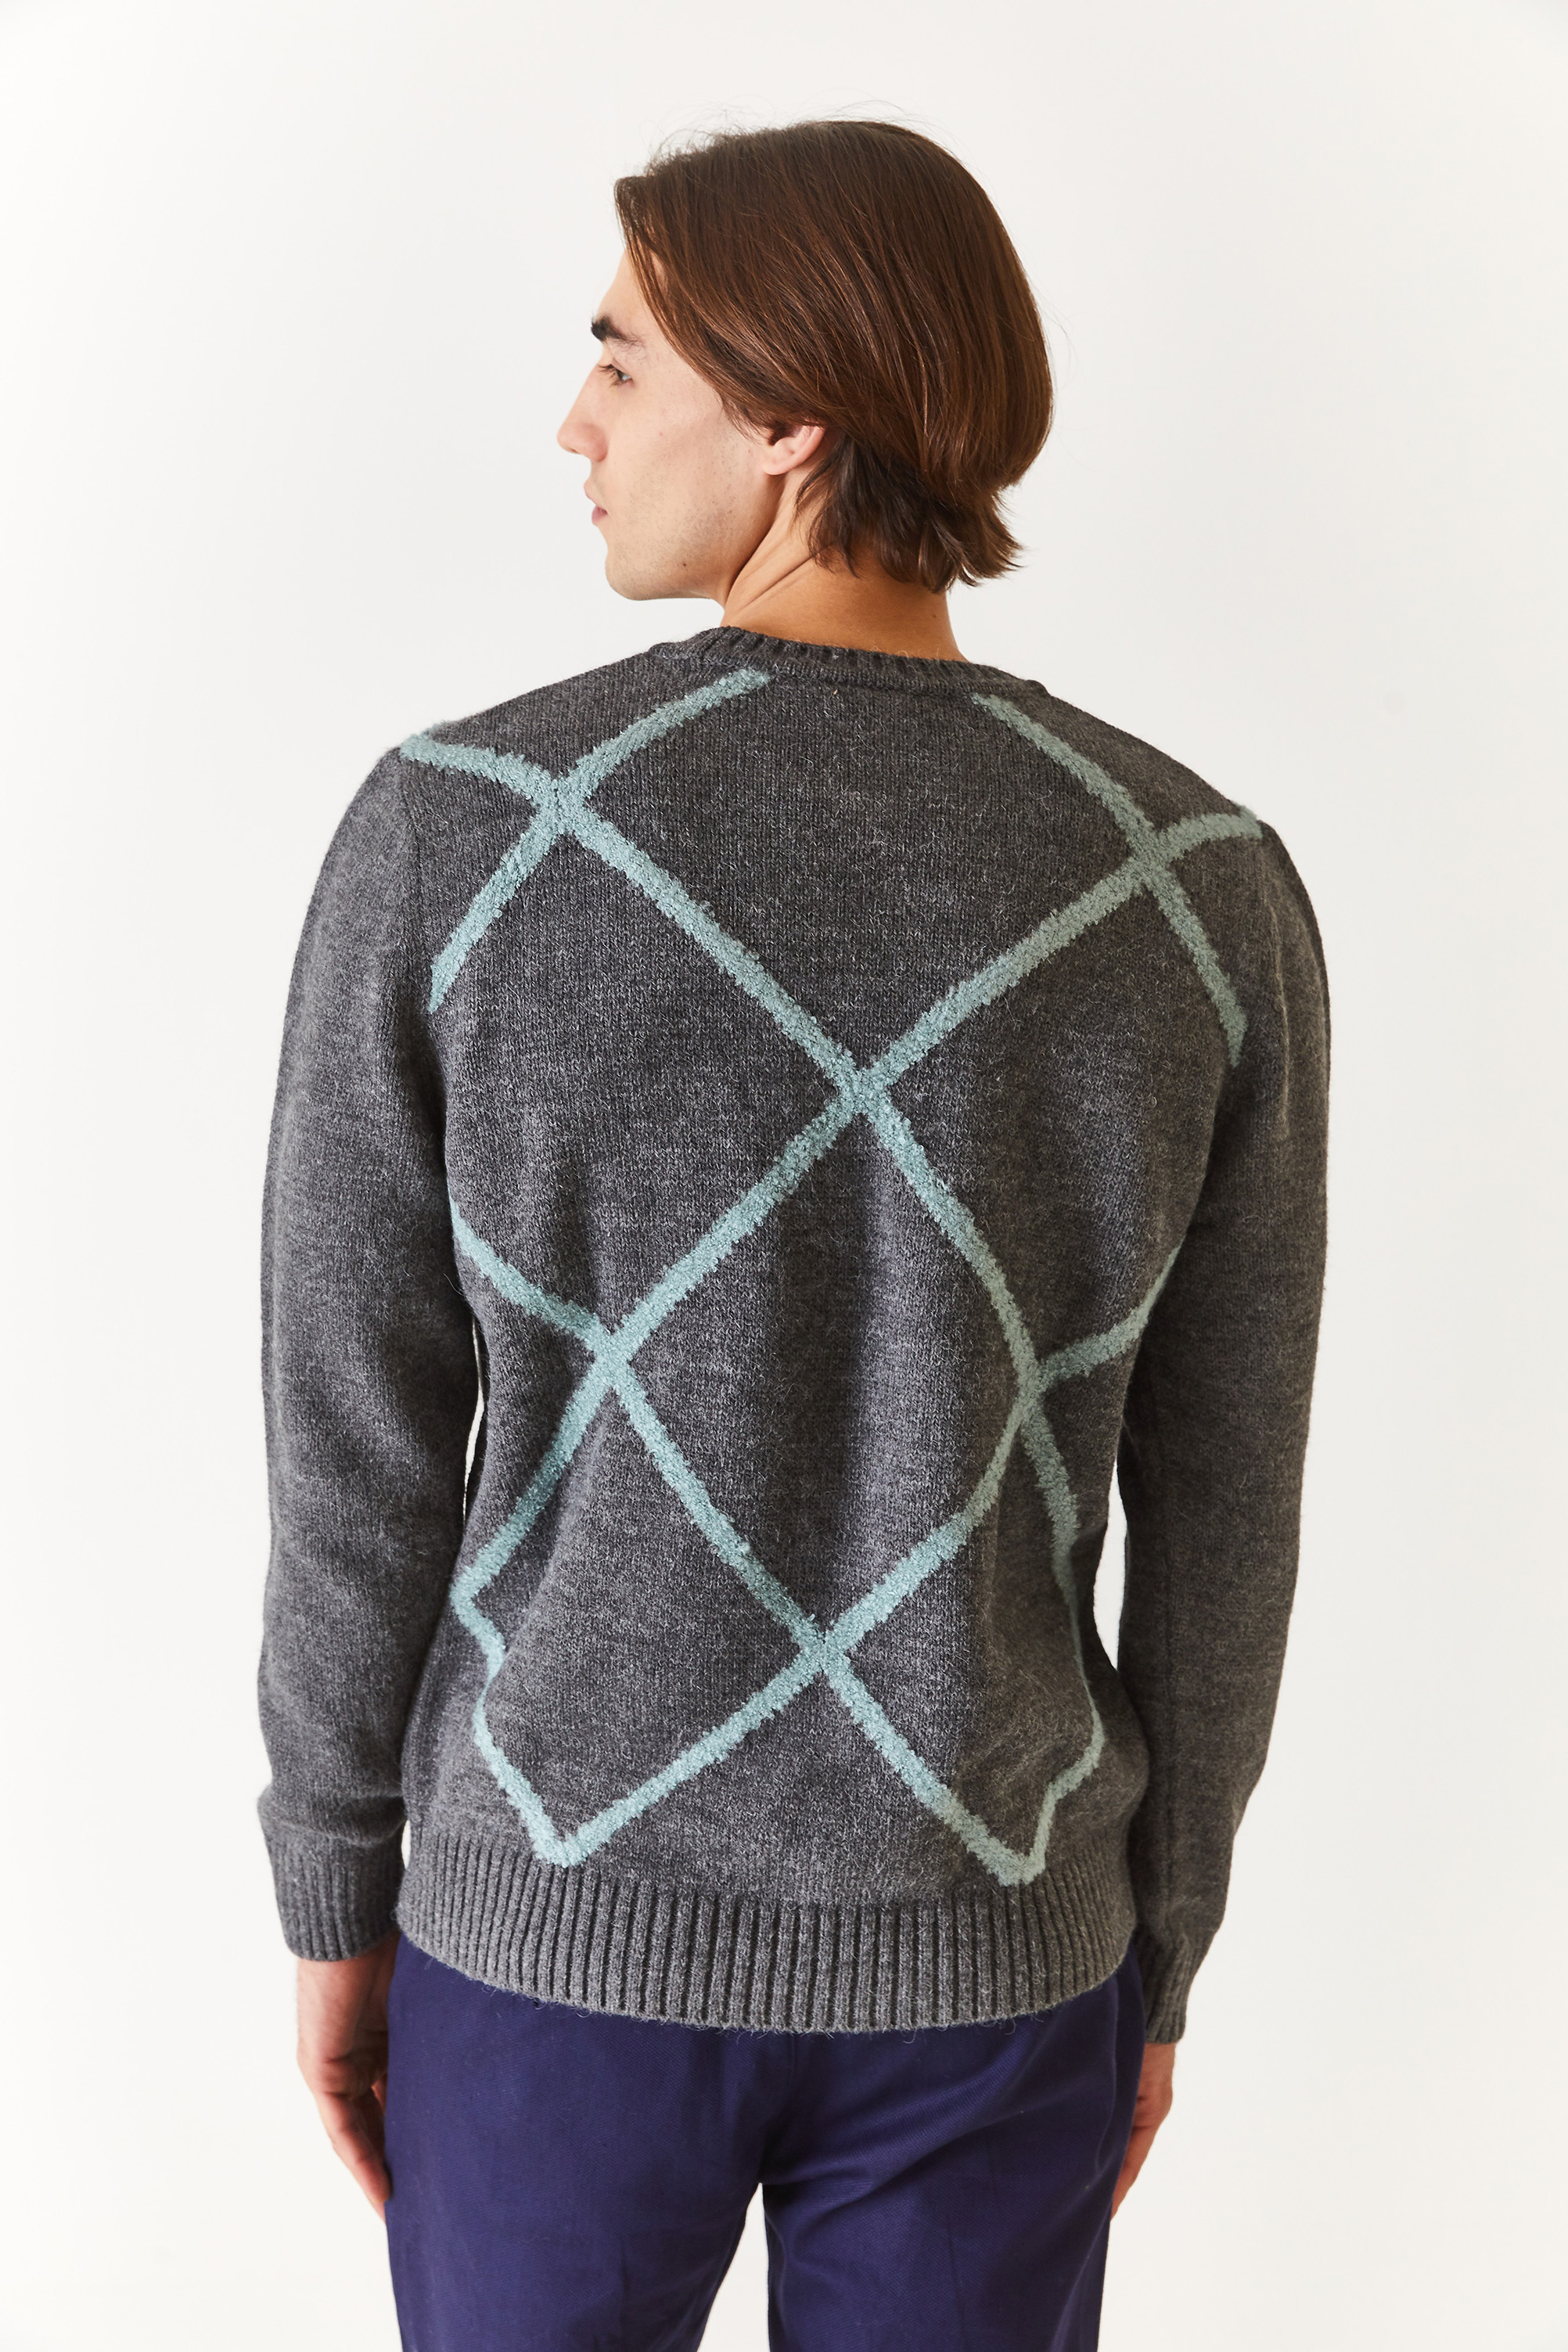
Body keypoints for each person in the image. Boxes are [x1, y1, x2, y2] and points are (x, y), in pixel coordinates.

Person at [260, 118, 1329, 2352]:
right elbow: (1226, 1505)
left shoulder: (463, 835)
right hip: (999, 1968)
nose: (575, 424)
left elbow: (356, 1440)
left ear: (787, 420)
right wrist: (1162, 1947)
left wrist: (336, 1885)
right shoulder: (1197, 888)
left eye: (620, 361)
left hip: (545, 1948)